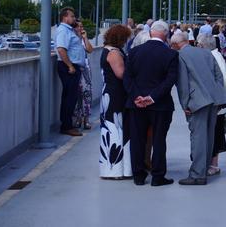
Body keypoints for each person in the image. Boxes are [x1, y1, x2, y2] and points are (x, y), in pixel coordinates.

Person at [171, 32, 226, 186]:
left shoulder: (180, 56)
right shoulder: (205, 53)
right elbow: (219, 76)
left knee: (197, 137)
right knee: (208, 136)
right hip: (213, 99)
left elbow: (183, 83)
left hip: (197, 102)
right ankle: (203, 169)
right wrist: (216, 93)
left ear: (176, 45)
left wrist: (185, 105)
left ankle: (197, 175)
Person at [124, 20, 179, 186]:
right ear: (165, 34)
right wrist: (152, 97)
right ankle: (157, 176)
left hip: (136, 104)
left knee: (137, 139)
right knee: (159, 140)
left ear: (150, 33)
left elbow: (127, 78)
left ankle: (138, 176)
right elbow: (170, 80)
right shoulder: (171, 54)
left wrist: (137, 97)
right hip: (160, 105)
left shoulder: (134, 52)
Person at [99, 24, 133, 179]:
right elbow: (121, 74)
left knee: (113, 130)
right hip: (116, 94)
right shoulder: (114, 53)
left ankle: (113, 169)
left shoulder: (107, 49)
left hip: (110, 93)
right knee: (118, 130)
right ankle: (118, 169)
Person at [204, 33, 226, 177]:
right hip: (218, 101)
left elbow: (224, 80)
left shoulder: (212, 57)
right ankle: (211, 162)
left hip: (217, 103)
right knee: (215, 132)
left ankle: (213, 164)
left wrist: (223, 101)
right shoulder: (216, 56)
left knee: (215, 133)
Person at [55, 7, 84, 137]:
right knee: (69, 98)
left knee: (70, 97)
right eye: (72, 16)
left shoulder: (70, 30)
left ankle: (67, 124)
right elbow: (61, 49)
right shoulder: (63, 31)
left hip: (72, 67)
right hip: (68, 67)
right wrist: (70, 66)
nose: (74, 19)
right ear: (65, 17)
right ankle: (66, 126)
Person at [73, 20, 94, 130]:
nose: (81, 28)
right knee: (77, 95)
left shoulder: (83, 40)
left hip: (85, 69)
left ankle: (86, 119)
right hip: (76, 68)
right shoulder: (72, 39)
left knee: (87, 94)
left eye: (82, 26)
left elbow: (90, 50)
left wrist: (85, 38)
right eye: (78, 26)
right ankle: (78, 118)